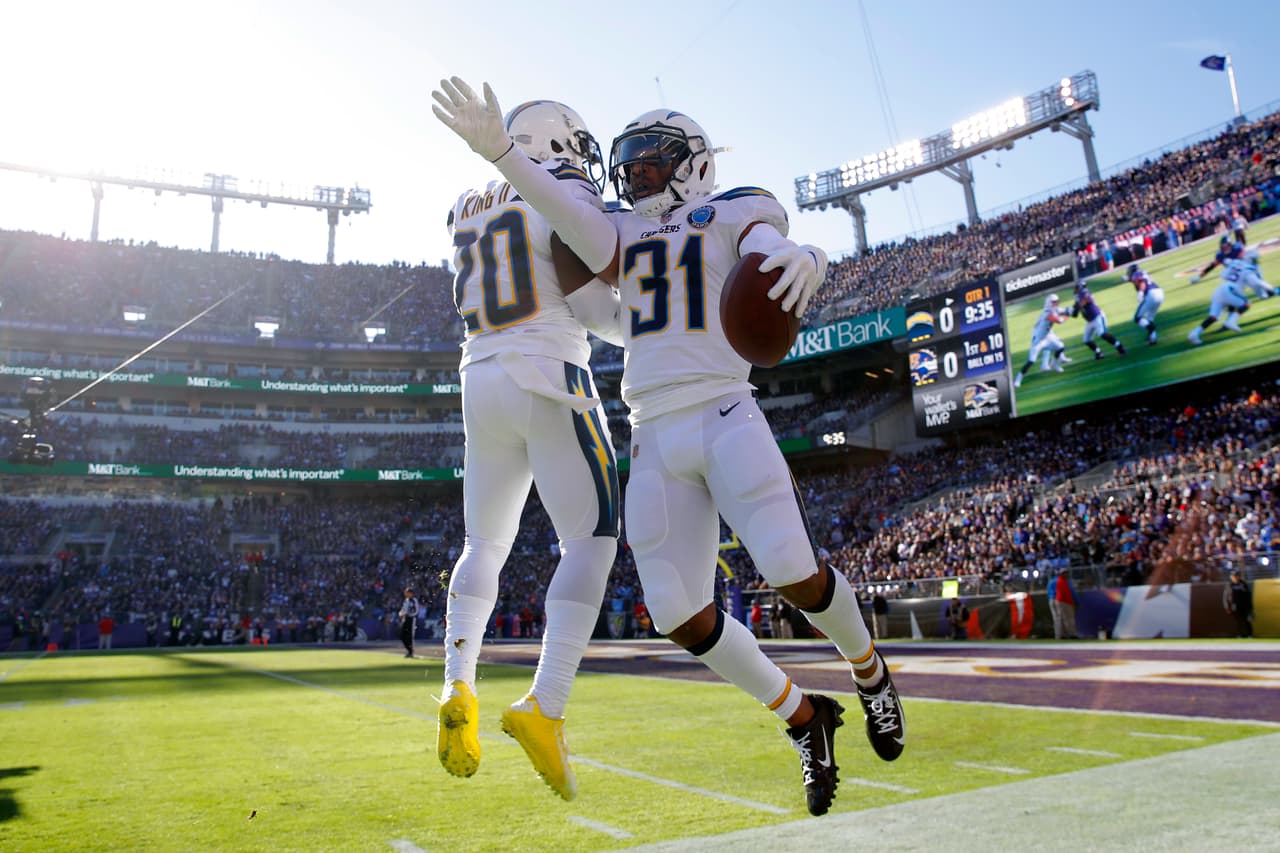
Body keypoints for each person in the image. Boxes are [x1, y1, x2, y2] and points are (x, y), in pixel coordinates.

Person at [433, 78, 906, 818]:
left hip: (723, 408)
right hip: (651, 433)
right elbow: (582, 264)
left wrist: (806, 252)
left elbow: (764, 244)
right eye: (632, 162)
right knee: (677, 612)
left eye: (654, 158)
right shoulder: (618, 233)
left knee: (790, 571)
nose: (639, 172)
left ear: (693, 161)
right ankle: (807, 719)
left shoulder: (735, 208)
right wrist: (503, 159)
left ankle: (870, 672)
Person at [434, 99, 622, 803]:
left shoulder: (465, 202)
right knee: (591, 541)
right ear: (553, 141)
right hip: (549, 369)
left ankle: (458, 681)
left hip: (478, 376)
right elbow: (598, 291)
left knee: (483, 541)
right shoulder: (559, 188)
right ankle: (545, 704)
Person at [1012, 293, 1070, 389]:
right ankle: (1018, 379)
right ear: (1049, 303)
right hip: (1039, 340)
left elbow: (1063, 310)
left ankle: (1054, 364)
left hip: (1047, 337)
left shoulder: (1053, 310)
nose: (1056, 304)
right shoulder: (1047, 313)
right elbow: (1060, 321)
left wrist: (1070, 310)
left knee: (1061, 347)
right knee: (1031, 361)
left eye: (1056, 302)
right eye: (1054, 302)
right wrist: (1068, 314)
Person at [1187, 271, 1250, 345]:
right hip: (1231, 289)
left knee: (1213, 317)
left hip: (1219, 289)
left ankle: (1194, 333)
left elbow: (1223, 275)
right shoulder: (1248, 268)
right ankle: (1230, 322)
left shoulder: (1235, 264)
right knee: (1246, 304)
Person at [1068, 281, 1126, 360]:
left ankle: (1120, 347)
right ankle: (1098, 352)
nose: (1075, 290)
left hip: (1097, 316)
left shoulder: (1085, 293)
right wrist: (1071, 311)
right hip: (1089, 320)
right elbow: (1075, 315)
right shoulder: (1078, 298)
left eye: (1077, 288)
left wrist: (1076, 306)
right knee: (1086, 340)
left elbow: (1086, 300)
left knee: (1102, 334)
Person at [1126, 264, 1164, 346]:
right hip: (1160, 293)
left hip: (1151, 294)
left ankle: (1151, 328)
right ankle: (1152, 338)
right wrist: (1129, 280)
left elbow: (1141, 281)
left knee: (1137, 318)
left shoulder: (1137, 274)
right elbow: (1138, 280)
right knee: (1149, 319)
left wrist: (1141, 292)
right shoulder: (1144, 273)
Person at [1048, 569, 1077, 640]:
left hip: (1054, 600)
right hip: (1061, 600)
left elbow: (1049, 592)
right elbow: (1067, 592)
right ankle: (1068, 634)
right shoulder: (1061, 581)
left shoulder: (1052, 581)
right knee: (1066, 618)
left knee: (1058, 618)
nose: (1066, 575)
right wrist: (1075, 601)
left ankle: (1060, 635)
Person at [1224, 569, 1253, 638]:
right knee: (1238, 621)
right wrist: (1227, 607)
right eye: (1233, 576)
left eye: (1236, 576)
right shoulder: (1229, 585)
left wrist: (1250, 607)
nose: (1235, 577)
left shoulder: (1243, 584)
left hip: (1244, 605)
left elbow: (1248, 595)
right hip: (1235, 606)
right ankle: (1240, 634)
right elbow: (1225, 597)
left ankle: (1249, 635)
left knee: (1247, 620)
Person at [398, 587, 419, 658]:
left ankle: (410, 652)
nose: (406, 594)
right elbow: (403, 609)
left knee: (410, 636)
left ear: (411, 593)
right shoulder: (406, 600)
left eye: (407, 593)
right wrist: (401, 613)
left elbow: (416, 611)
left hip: (411, 619)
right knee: (402, 635)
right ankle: (409, 650)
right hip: (405, 619)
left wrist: (408, 613)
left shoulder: (414, 600)